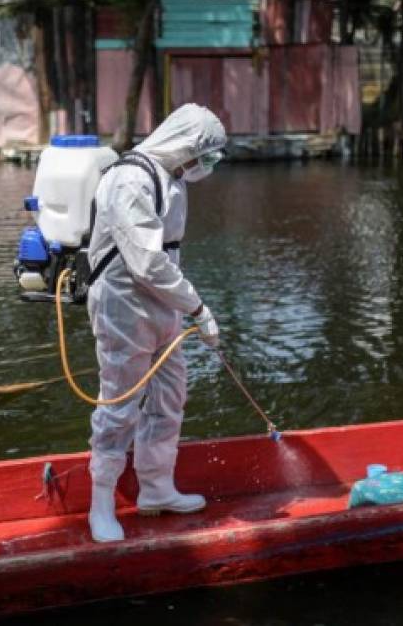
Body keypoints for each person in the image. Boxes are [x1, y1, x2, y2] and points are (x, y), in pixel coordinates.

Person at [85, 103, 225, 543]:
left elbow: (165, 260)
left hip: (160, 304)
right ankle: (101, 503)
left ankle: (157, 488)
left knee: (169, 394)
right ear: (185, 144)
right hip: (123, 303)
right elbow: (147, 262)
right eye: (204, 154)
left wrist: (182, 306)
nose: (204, 165)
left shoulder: (171, 179)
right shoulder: (130, 180)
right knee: (120, 400)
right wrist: (198, 308)